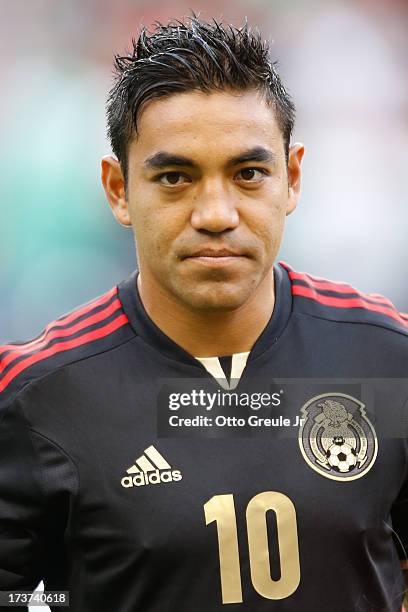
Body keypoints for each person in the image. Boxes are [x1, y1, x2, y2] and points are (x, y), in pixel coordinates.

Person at [0, 14, 407, 612]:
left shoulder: (386, 357)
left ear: (291, 178)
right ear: (118, 190)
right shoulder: (38, 395)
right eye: (174, 177)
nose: (215, 213)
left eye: (248, 174)